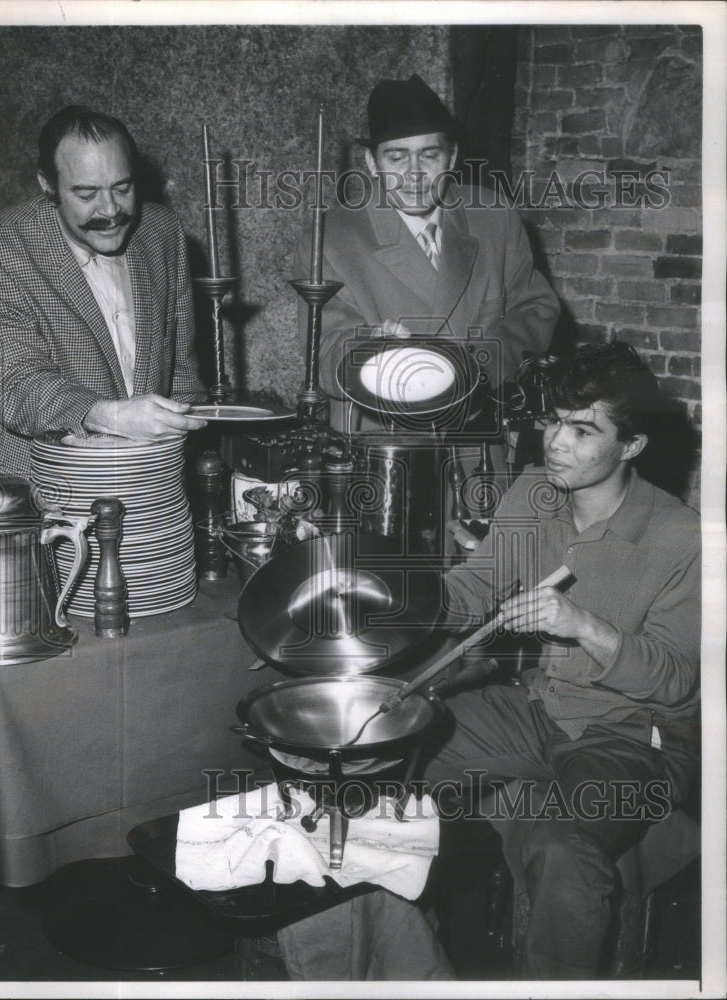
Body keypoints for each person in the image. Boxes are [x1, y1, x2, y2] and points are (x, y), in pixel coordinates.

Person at [422, 340, 701, 978]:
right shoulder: (534, 493)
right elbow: (471, 592)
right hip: (543, 706)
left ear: (631, 446)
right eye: (552, 420)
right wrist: (388, 596)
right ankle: (406, 956)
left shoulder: (681, 536)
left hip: (636, 735)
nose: (555, 442)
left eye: (582, 429)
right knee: (389, 745)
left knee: (564, 847)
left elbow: (680, 685)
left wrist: (583, 626)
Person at [294, 73, 560, 437]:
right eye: (397, 157)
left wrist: (478, 369)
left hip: (475, 437)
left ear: (451, 156)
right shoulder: (332, 237)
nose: (414, 174)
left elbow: (535, 310)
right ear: (372, 163)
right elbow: (322, 352)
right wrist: (372, 351)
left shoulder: (494, 216)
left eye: (429, 155)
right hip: (376, 441)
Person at [0, 105, 208, 477]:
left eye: (122, 188)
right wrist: (109, 416)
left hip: (154, 482)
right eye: (86, 194)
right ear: (47, 185)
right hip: (47, 486)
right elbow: (16, 383)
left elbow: (183, 372)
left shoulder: (161, 230)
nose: (110, 210)